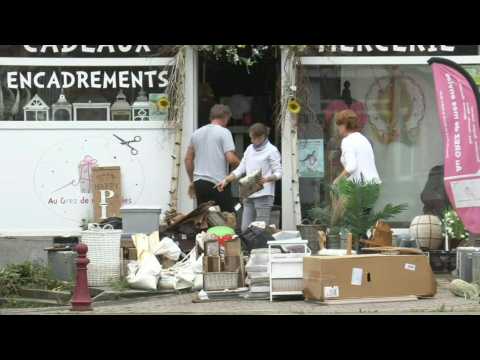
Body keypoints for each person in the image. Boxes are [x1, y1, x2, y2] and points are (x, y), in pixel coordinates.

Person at [217, 123, 282, 232]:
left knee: (260, 229)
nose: (251, 140)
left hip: (264, 194)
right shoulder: (249, 149)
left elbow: (279, 172)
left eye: (253, 138)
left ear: (262, 137)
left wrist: (267, 179)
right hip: (248, 192)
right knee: (245, 228)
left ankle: (260, 248)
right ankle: (249, 249)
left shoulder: (272, 150)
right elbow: (240, 169)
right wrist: (226, 180)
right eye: (250, 137)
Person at [185, 104, 240, 212]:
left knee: (206, 219)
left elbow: (188, 160)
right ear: (226, 117)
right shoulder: (224, 132)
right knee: (227, 219)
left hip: (199, 184)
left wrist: (192, 181)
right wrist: (241, 166)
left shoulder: (196, 133)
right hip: (217, 183)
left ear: (211, 117)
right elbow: (231, 159)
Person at [333, 110, 381, 185]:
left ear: (345, 125)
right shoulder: (363, 138)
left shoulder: (347, 141)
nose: (338, 128)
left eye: (339, 124)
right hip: (373, 184)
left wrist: (337, 180)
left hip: (360, 186)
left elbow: (351, 166)